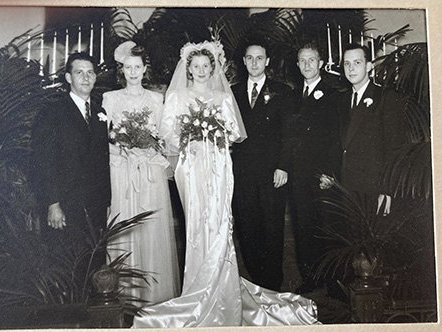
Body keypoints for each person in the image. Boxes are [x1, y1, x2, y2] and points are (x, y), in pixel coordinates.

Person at [131, 41, 319, 328]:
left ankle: (224, 285)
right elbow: (167, 131)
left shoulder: (223, 96)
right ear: (189, 70)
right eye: (196, 67)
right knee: (196, 222)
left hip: (219, 167)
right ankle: (197, 286)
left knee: (220, 222)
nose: (202, 71)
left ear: (213, 67)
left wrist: (212, 131)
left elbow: (234, 132)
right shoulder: (178, 96)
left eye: (207, 66)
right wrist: (190, 138)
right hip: (192, 168)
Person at [101, 41, 180, 304]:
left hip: (150, 172)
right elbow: (103, 139)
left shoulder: (157, 99)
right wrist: (123, 149)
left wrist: (149, 149)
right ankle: (125, 297)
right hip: (122, 172)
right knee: (125, 228)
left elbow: (165, 138)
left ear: (145, 69)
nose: (133, 72)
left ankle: (156, 296)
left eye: (137, 67)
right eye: (127, 67)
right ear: (121, 70)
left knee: (151, 227)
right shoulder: (110, 99)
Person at [32, 52, 111, 282]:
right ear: (68, 78)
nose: (86, 78)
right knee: (67, 270)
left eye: (90, 72)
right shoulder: (51, 112)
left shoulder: (100, 112)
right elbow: (43, 162)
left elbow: (102, 161)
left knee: (94, 268)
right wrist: (52, 203)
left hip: (95, 207)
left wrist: (106, 201)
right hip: (66, 206)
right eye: (79, 73)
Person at [231, 38, 294, 291]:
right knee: (247, 227)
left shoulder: (283, 91)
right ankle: (255, 282)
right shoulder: (233, 92)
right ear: (244, 61)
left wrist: (283, 166)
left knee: (272, 227)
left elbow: (290, 134)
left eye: (260, 58)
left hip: (272, 172)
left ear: (267, 61)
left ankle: (272, 284)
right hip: (243, 172)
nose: (255, 63)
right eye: (250, 58)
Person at [325, 44, 406, 214]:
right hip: (345, 188)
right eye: (347, 64)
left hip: (373, 188)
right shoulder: (341, 101)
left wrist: (387, 190)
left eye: (357, 62)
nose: (351, 68)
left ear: (369, 66)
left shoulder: (386, 97)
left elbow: (394, 149)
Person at [289, 43, 340, 294]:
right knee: (303, 227)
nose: (307, 65)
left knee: (327, 227)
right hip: (299, 174)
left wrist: (329, 173)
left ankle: (333, 282)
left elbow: (335, 136)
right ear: (297, 65)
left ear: (321, 63)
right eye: (302, 60)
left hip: (322, 174)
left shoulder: (332, 93)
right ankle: (310, 278)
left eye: (312, 60)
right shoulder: (293, 95)